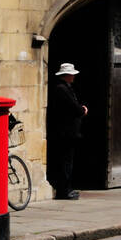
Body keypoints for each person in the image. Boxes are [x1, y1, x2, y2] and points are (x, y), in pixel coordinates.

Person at [46, 62, 87, 200]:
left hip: (67, 132)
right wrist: (83, 110)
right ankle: (63, 191)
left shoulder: (64, 88)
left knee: (66, 161)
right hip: (65, 133)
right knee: (65, 162)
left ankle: (66, 188)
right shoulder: (61, 89)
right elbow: (72, 107)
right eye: (72, 74)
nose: (74, 77)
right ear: (67, 75)